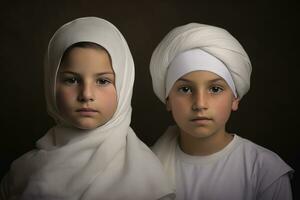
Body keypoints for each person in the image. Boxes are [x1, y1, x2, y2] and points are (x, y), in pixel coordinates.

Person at [0, 17, 174, 200]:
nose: (86, 94)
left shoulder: (145, 175)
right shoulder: (23, 172)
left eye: (102, 81)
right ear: (51, 84)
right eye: (72, 80)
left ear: (123, 86)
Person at [149, 23, 294, 200]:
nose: (200, 104)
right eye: (185, 89)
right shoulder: (144, 170)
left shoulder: (265, 171)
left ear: (235, 99)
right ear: (168, 99)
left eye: (215, 89)